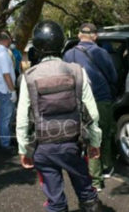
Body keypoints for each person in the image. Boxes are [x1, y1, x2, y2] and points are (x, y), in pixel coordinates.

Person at [16, 20, 103, 212]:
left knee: (55, 202)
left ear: (37, 47)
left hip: (43, 148)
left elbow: (22, 119)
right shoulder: (77, 71)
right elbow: (92, 113)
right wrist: (94, 143)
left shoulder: (28, 76)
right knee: (87, 195)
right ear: (62, 43)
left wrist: (24, 149)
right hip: (73, 145)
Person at [63, 23, 118, 191]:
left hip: (79, 101)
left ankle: (95, 175)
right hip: (101, 99)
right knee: (104, 134)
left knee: (88, 139)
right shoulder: (101, 53)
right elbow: (113, 76)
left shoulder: (68, 54)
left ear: (79, 35)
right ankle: (102, 172)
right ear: (95, 36)